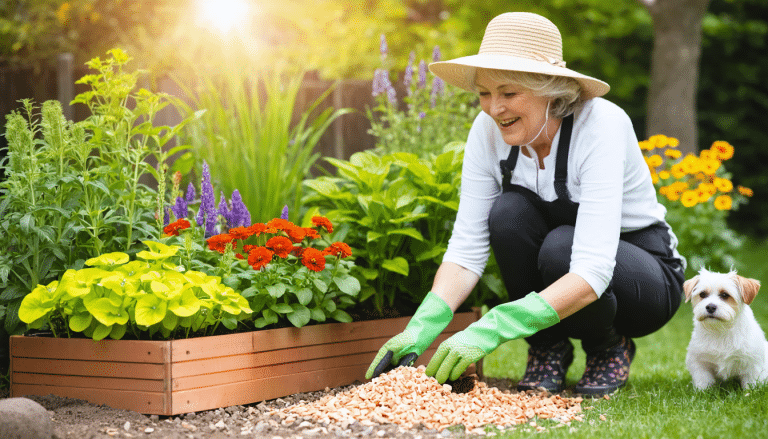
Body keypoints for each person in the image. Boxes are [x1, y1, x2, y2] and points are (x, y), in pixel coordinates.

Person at [365, 11, 686, 396]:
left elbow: (593, 269)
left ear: (550, 89)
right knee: (507, 214)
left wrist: (495, 324)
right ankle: (547, 349)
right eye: (484, 93)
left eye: (508, 92)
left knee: (561, 247)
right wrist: (423, 323)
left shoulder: (602, 125)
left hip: (642, 276)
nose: (493, 108)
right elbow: (468, 246)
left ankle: (608, 348)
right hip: (568, 257)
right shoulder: (487, 131)